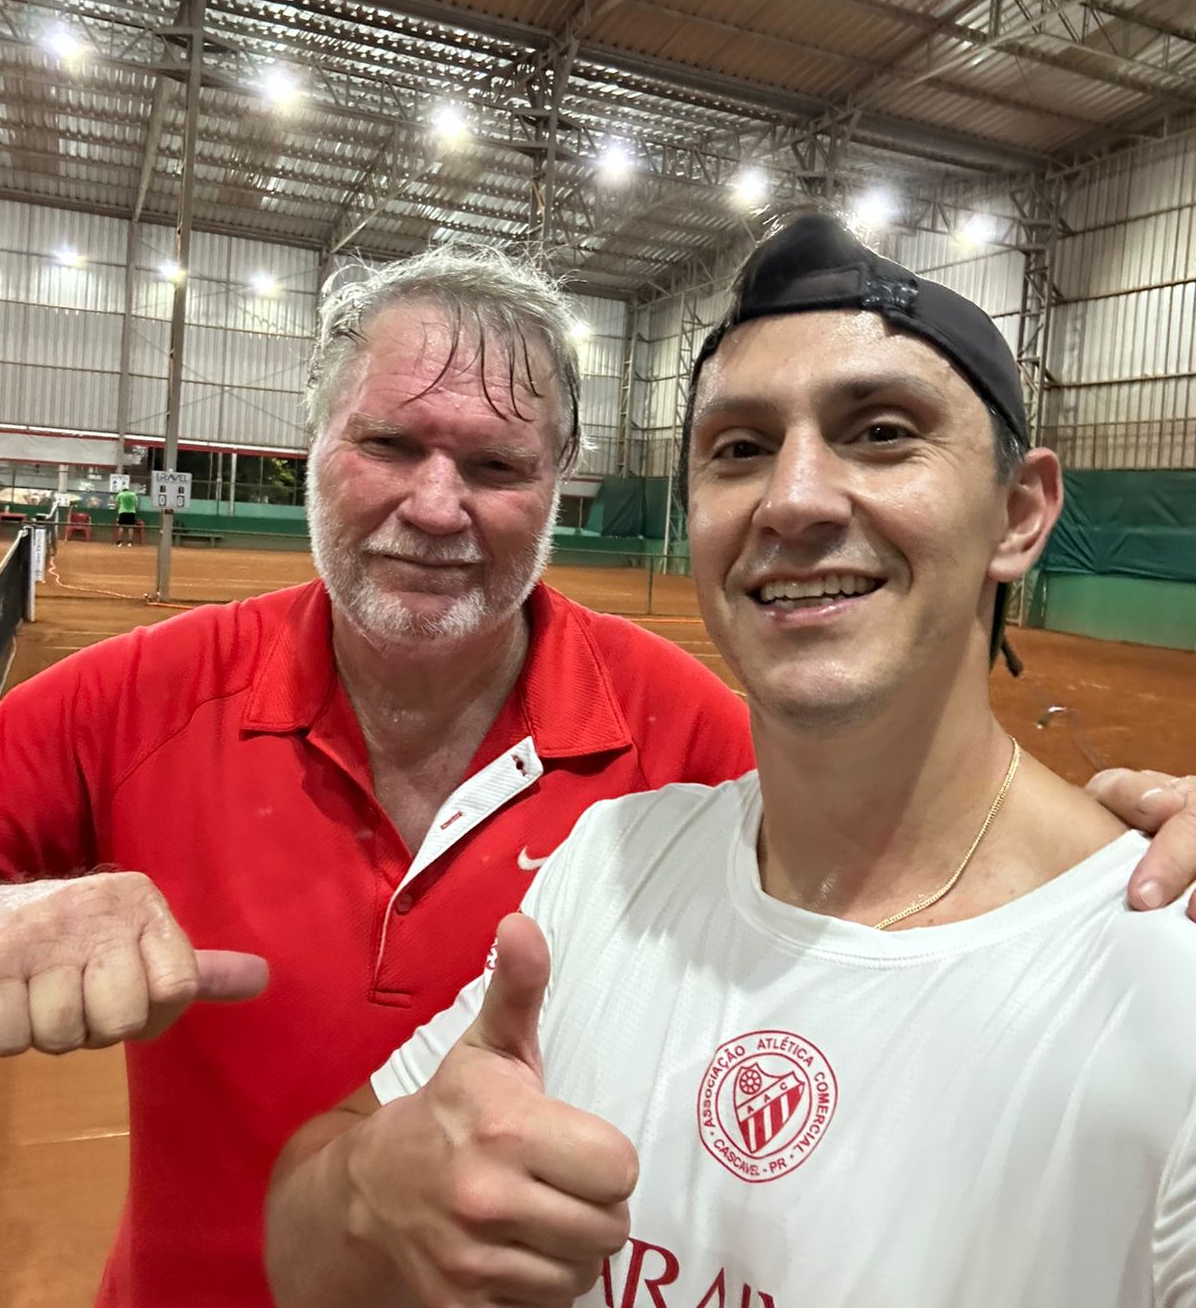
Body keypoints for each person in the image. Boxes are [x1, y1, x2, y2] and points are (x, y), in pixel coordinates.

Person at [266, 216, 1196, 1308]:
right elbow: (306, 1242)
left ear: (1020, 513)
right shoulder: (613, 866)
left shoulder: (1167, 981)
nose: (792, 498)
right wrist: (374, 1193)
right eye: (740, 449)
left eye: (881, 432)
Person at [0, 247, 755, 1308]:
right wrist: (14, 917)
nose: (436, 506)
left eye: (497, 466)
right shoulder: (138, 700)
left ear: (560, 478)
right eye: (389, 444)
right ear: (314, 438)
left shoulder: (690, 735)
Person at [113, 481, 139, 546]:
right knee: (130, 527)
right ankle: (129, 542)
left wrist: (116, 509)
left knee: (121, 527)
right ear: (128, 489)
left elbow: (116, 504)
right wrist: (134, 510)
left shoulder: (120, 494)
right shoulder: (133, 494)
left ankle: (119, 542)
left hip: (122, 512)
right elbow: (136, 505)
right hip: (132, 512)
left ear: (123, 489)